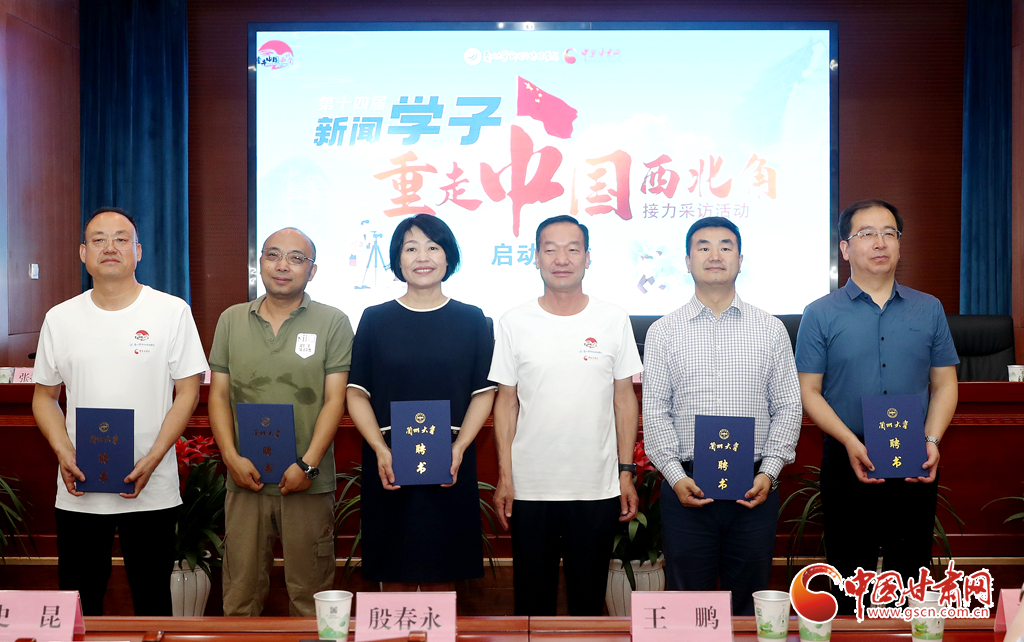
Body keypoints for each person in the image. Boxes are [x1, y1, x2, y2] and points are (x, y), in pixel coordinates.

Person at [32, 207, 209, 616]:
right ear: (83, 253)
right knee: (79, 604)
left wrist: (155, 456)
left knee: (153, 602)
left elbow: (188, 392)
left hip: (151, 485)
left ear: (138, 251)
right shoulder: (60, 318)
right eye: (98, 240)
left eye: (121, 239)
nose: (110, 247)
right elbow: (44, 397)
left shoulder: (171, 312)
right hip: (80, 486)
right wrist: (63, 451)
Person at [795, 199, 959, 614]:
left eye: (889, 233)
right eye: (866, 233)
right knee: (850, 572)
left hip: (913, 452)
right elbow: (808, 390)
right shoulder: (819, 314)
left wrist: (932, 440)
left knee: (911, 568)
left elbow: (945, 384)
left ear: (900, 245)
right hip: (846, 453)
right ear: (845, 248)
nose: (880, 242)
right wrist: (850, 442)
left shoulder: (929, 308)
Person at [642, 217, 801, 615]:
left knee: (748, 604)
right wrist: (675, 478)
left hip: (755, 487)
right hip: (686, 486)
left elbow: (788, 406)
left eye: (726, 246)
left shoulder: (771, 329)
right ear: (687, 260)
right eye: (704, 247)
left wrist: (770, 472)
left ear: (740, 259)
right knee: (689, 607)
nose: (715, 255)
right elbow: (656, 411)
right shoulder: (663, 331)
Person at [489, 215, 642, 616]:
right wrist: (505, 475)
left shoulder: (613, 318)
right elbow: (506, 402)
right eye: (551, 249)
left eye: (573, 249)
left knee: (588, 603)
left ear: (588, 258)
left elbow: (624, 399)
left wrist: (626, 472)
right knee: (531, 604)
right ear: (535, 257)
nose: (562, 259)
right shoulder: (514, 321)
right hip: (530, 488)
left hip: (596, 486)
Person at [208, 227, 353, 616]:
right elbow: (218, 396)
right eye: (272, 255)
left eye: (295, 258)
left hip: (307, 481)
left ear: (312, 270)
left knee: (310, 597)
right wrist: (231, 458)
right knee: (240, 594)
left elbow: (335, 400)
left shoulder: (333, 322)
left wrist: (307, 464)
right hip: (245, 479)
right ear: (260, 263)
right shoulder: (231, 319)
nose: (282, 265)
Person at [347, 213, 495, 590]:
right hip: (390, 462)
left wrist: (460, 447)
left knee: (444, 572)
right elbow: (356, 392)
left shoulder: (472, 319)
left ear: (448, 258)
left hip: (450, 460)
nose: (422, 257)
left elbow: (483, 393)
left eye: (433, 247)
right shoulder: (375, 319)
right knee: (392, 570)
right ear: (398, 260)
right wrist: (379, 448)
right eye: (411, 248)